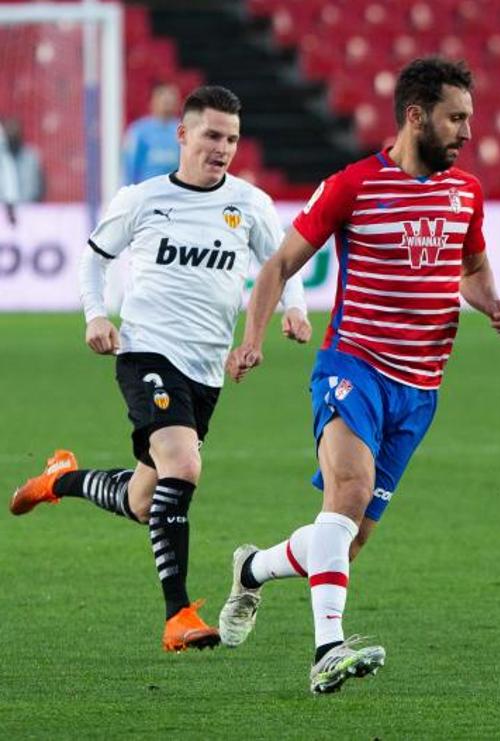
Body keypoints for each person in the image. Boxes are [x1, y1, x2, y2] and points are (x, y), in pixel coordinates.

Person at [217, 57, 500, 693]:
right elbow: (276, 267)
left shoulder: (466, 192)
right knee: (348, 491)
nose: (467, 133)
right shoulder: (352, 186)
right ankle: (328, 649)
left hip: (420, 390)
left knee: (344, 544)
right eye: (455, 118)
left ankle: (253, 570)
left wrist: (491, 302)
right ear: (416, 117)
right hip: (354, 365)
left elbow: (471, 268)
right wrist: (253, 339)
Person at [9, 85, 312, 652]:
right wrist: (96, 316)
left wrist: (294, 309)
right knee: (184, 465)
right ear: (183, 134)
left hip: (206, 371)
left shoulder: (249, 205)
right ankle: (179, 615)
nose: (222, 148)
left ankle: (60, 480)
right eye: (212, 136)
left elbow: (283, 264)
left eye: (232, 139)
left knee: (146, 500)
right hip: (146, 351)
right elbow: (93, 258)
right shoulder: (141, 199)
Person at [122, 82, 181, 185]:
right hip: (147, 190)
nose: (167, 104)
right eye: (164, 100)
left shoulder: (182, 130)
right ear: (153, 101)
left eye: (171, 100)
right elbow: (129, 165)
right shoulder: (140, 131)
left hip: (175, 191)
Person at [3, 118, 44, 202]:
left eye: (15, 132)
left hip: (28, 208)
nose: (12, 135)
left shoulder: (31, 157)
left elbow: (40, 185)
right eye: (9, 132)